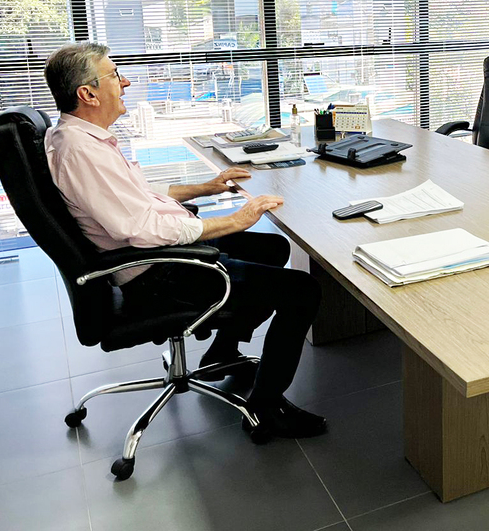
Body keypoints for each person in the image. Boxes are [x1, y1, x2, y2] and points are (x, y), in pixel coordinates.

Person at [43, 42, 325, 443]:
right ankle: (265, 410)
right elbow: (141, 228)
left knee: (273, 249)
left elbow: (137, 193)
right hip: (159, 273)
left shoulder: (81, 139)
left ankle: (223, 352)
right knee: (304, 290)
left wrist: (205, 187)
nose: (124, 82)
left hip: (153, 259)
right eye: (113, 76)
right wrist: (231, 220)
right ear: (87, 94)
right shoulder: (80, 151)